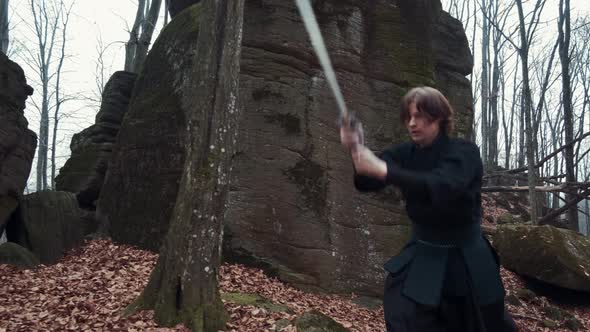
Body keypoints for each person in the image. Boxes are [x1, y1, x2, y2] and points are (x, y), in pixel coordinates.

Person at [340, 87, 518, 332]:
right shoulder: (404, 153)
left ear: (439, 117)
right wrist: (355, 149)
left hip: (466, 257)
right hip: (424, 253)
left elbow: (444, 185)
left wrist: (384, 170)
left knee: (482, 322)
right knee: (406, 317)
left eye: (420, 116)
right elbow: (366, 182)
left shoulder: (464, 152)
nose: (412, 123)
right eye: (409, 117)